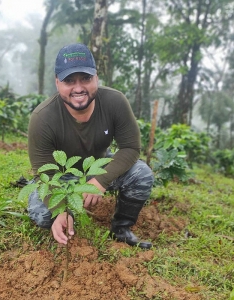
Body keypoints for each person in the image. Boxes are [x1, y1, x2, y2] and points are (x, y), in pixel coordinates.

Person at [27, 43, 154, 249]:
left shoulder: (115, 102)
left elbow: (130, 148)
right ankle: (63, 214)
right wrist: (60, 211)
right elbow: (44, 171)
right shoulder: (43, 118)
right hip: (62, 177)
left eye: (85, 78)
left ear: (96, 78)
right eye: (69, 80)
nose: (78, 88)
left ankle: (121, 228)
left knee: (142, 174)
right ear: (57, 82)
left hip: (97, 167)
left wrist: (100, 182)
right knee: (43, 216)